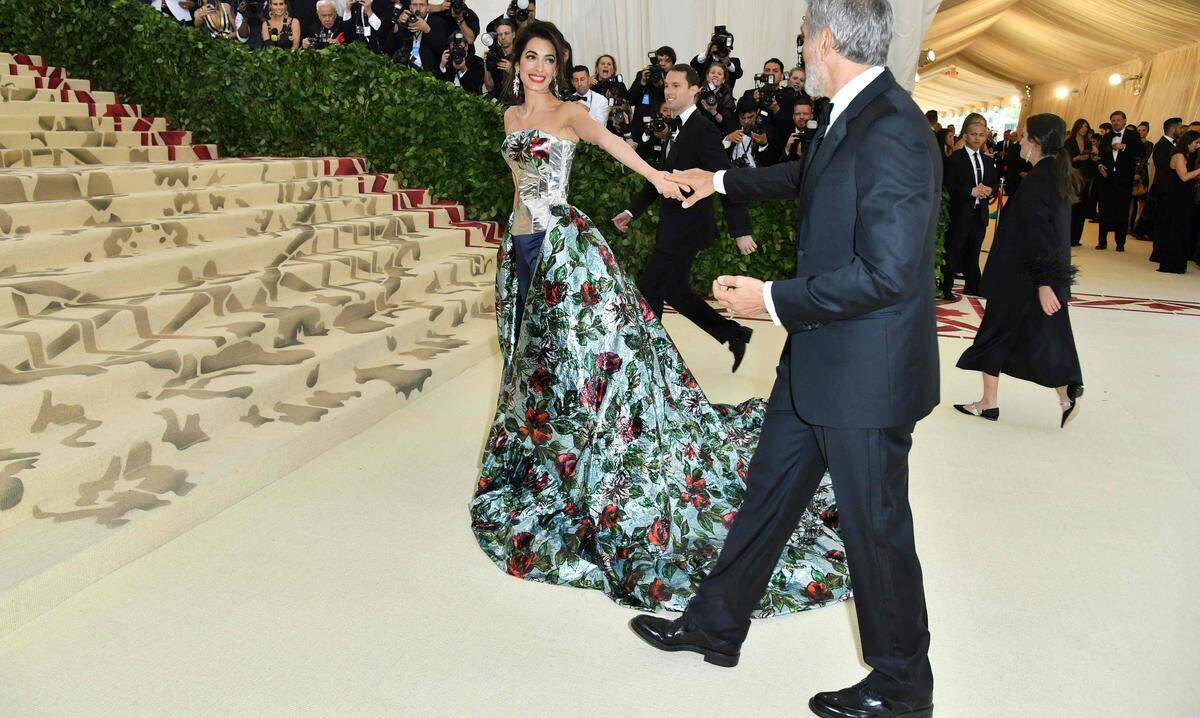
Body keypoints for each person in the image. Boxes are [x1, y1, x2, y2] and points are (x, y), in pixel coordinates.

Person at [471, 20, 849, 630]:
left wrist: (661, 180)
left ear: (561, 65)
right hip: (517, 252)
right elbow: (518, 189)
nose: (538, 68)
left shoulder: (570, 114)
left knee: (574, 366)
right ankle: (541, 461)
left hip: (561, 252)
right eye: (530, 58)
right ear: (517, 62)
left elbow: (623, 150)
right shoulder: (511, 118)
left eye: (548, 59)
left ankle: (583, 464)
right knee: (529, 362)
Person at [635, 2, 940, 716]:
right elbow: (807, 178)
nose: (798, 48)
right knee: (768, 496)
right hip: (820, 363)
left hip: (866, 377)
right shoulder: (850, 114)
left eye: (804, 37)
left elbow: (889, 273)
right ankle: (717, 623)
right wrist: (719, 181)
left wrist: (770, 299)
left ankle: (903, 687)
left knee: (877, 531)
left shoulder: (893, 126)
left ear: (827, 40)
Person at [613, 65, 758, 371]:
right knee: (675, 292)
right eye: (667, 85)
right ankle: (734, 333)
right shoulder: (677, 127)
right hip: (677, 226)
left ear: (694, 90)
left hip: (685, 228)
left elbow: (723, 178)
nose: (669, 90)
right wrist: (631, 211)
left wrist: (740, 229)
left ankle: (646, 362)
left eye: (676, 85)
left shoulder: (702, 128)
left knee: (650, 288)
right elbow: (663, 177)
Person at [955, 113, 1084, 428]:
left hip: (1021, 277)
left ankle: (989, 403)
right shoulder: (1054, 174)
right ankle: (1065, 392)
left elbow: (1041, 234)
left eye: (1025, 136)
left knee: (996, 334)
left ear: (1037, 142)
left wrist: (1044, 282)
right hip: (1030, 276)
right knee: (1035, 333)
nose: (1020, 142)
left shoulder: (1040, 179)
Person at [941, 113, 997, 299]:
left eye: (981, 135)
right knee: (954, 250)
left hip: (980, 213)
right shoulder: (956, 158)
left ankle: (973, 286)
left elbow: (995, 184)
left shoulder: (988, 161)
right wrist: (969, 191)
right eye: (973, 134)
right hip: (960, 212)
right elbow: (949, 185)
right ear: (965, 135)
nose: (977, 138)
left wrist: (990, 190)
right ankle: (946, 287)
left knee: (974, 250)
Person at [1095, 110, 1143, 251]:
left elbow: (1141, 152)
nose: (1116, 122)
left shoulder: (1133, 135)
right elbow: (1101, 155)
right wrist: (1099, 166)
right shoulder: (1107, 136)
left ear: (1124, 120)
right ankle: (1102, 242)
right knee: (1104, 210)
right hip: (1107, 178)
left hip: (1124, 179)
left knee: (1122, 211)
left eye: (1118, 120)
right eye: (1113, 120)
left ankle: (1120, 244)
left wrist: (1125, 147)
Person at [1154, 130, 1200, 273]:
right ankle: (1171, 264)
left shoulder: (1186, 155)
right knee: (1175, 229)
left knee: (1181, 230)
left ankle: (1177, 263)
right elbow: (1184, 177)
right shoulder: (1179, 156)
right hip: (1176, 199)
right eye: (1196, 143)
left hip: (1183, 198)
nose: (1198, 146)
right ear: (1188, 142)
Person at [1148, 117, 1183, 263]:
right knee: (1161, 221)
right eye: (1180, 128)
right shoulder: (1161, 145)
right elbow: (1164, 170)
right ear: (1172, 128)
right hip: (1164, 190)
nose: (1181, 130)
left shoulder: (1175, 145)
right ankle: (1158, 252)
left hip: (1169, 190)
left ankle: (1163, 250)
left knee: (1166, 221)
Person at [1065, 118, 1097, 246]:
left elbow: (1090, 161)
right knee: (1072, 206)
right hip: (1072, 176)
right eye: (1082, 126)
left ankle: (1076, 239)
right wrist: (1077, 157)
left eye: (1086, 127)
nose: (1084, 129)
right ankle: (1067, 237)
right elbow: (1065, 161)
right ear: (1077, 127)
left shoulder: (1089, 143)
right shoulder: (1069, 142)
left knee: (1081, 208)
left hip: (1085, 178)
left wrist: (1093, 158)